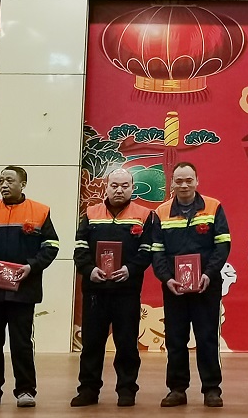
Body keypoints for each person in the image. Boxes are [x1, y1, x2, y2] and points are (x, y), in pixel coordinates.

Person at [0, 166, 60, 408]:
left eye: (9, 180)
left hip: (23, 291)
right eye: (1, 180)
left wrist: (32, 266)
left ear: (23, 184)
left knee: (21, 343)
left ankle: (25, 391)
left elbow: (51, 245)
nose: (4, 184)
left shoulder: (39, 211)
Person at [72, 168, 157, 407]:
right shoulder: (91, 213)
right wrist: (90, 270)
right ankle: (88, 390)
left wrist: (130, 269)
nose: (119, 190)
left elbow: (147, 250)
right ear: (106, 187)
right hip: (95, 291)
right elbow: (80, 248)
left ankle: (127, 390)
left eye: (124, 186)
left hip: (126, 290)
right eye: (114, 185)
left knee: (127, 343)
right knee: (92, 344)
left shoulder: (144, 215)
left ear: (132, 188)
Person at [150, 162, 231, 408]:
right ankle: (177, 390)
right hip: (174, 287)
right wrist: (166, 278)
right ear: (172, 183)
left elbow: (223, 244)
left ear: (197, 181)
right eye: (179, 181)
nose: (184, 185)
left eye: (188, 180)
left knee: (207, 338)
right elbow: (156, 251)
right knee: (175, 339)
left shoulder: (213, 207)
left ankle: (212, 390)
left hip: (207, 286)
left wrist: (208, 273)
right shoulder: (160, 212)